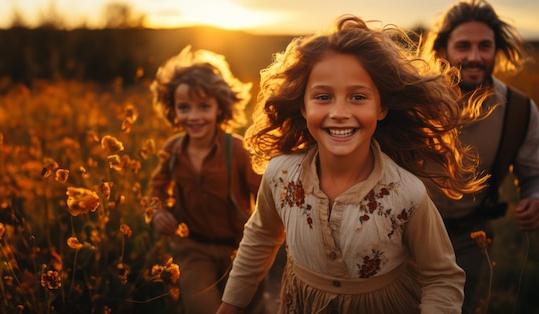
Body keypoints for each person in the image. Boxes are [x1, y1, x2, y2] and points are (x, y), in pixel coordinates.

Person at [217, 15, 489, 314]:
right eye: (323, 97)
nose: (340, 112)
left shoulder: (407, 193)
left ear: (381, 107)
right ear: (303, 107)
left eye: (358, 97)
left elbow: (441, 277)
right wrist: (230, 306)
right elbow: (261, 237)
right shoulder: (280, 175)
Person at [420, 1, 539, 312]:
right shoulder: (413, 100)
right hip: (402, 237)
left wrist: (534, 196)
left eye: (484, 46)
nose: (474, 56)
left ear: (496, 50)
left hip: (469, 241)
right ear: (443, 50)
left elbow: (533, 174)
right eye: (463, 45)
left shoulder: (519, 110)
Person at [147, 45, 266, 314]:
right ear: (172, 110)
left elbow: (263, 194)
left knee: (250, 307)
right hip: (193, 248)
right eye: (184, 107)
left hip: (240, 247)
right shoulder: (172, 150)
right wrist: (158, 212)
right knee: (200, 304)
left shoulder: (236, 149)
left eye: (204, 106)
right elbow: (156, 189)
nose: (193, 116)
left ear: (219, 108)